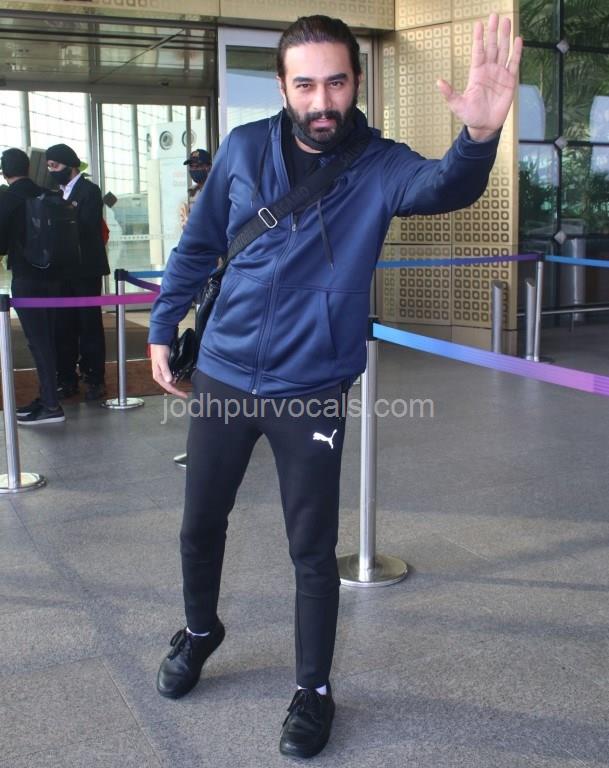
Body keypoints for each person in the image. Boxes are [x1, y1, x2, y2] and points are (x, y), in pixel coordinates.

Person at [149, 13, 522, 759]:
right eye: (306, 85)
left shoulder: (378, 164)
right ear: (283, 87)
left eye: (336, 82)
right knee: (199, 524)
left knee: (312, 550)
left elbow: (443, 185)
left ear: (357, 81)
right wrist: (164, 325)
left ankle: (313, 691)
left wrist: (479, 137)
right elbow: (198, 246)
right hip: (223, 373)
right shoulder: (244, 148)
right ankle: (199, 631)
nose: (322, 102)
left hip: (311, 384)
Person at [0, 148, 65, 425]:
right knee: (48, 339)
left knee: (38, 342)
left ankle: (51, 405)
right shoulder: (47, 194)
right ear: (27, 168)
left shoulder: (8, 198)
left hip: (27, 278)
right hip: (54, 277)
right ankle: (48, 396)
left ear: (4, 171)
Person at [45, 143, 110, 401]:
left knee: (89, 324)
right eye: (49, 166)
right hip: (61, 270)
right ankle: (66, 378)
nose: (52, 171)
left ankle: (94, 378)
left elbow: (85, 225)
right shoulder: (53, 193)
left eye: (55, 165)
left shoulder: (89, 191)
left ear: (70, 165)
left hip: (85, 270)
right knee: (63, 326)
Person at [175, 148, 213, 468]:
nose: (196, 169)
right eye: (193, 165)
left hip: (215, 276)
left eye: (200, 164)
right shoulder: (196, 193)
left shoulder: (217, 190)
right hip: (201, 275)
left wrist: (191, 224)